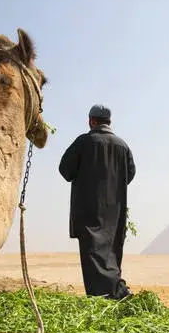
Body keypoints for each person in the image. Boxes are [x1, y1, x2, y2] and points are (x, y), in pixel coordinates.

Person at [58, 104, 136, 299]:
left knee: (93, 254)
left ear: (91, 121)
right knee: (112, 252)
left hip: (88, 210)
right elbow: (130, 174)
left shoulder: (84, 142)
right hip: (114, 212)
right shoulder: (122, 146)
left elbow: (65, 170)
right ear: (109, 122)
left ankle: (109, 296)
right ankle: (116, 292)